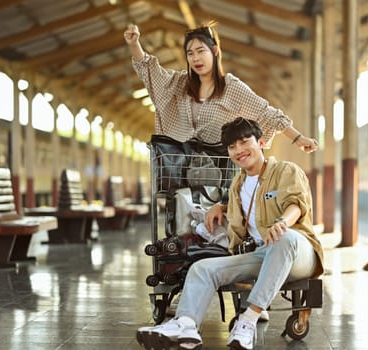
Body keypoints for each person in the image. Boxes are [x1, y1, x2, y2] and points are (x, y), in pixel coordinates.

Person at [136, 117, 324, 350]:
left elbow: (296, 204)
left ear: (262, 143)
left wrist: (282, 223)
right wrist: (220, 207)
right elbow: (245, 207)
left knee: (283, 239)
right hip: (262, 254)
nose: (239, 150)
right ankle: (185, 324)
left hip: (298, 251)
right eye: (232, 146)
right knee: (202, 268)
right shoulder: (237, 184)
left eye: (245, 142)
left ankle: (248, 320)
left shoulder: (285, 170)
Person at [123, 21, 319, 153]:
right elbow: (151, 73)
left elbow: (268, 114)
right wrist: (134, 44)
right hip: (180, 170)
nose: (196, 58)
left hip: (219, 175)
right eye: (190, 53)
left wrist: (299, 138)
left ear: (214, 51)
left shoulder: (231, 87)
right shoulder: (180, 83)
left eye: (201, 51)